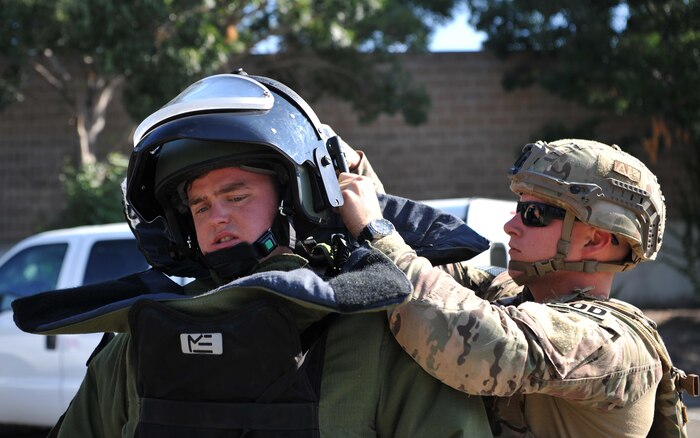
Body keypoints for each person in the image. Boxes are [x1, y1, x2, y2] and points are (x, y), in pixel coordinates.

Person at [12, 71, 493, 437]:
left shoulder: (377, 330)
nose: (216, 217)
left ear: (295, 199)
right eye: (199, 205)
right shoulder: (140, 337)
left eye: (236, 196)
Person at [338, 139, 698, 437]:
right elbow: (430, 278)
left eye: (534, 215)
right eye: (518, 207)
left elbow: (474, 342)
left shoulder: (609, 343)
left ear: (595, 241)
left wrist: (376, 231)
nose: (511, 225)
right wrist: (356, 174)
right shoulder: (524, 299)